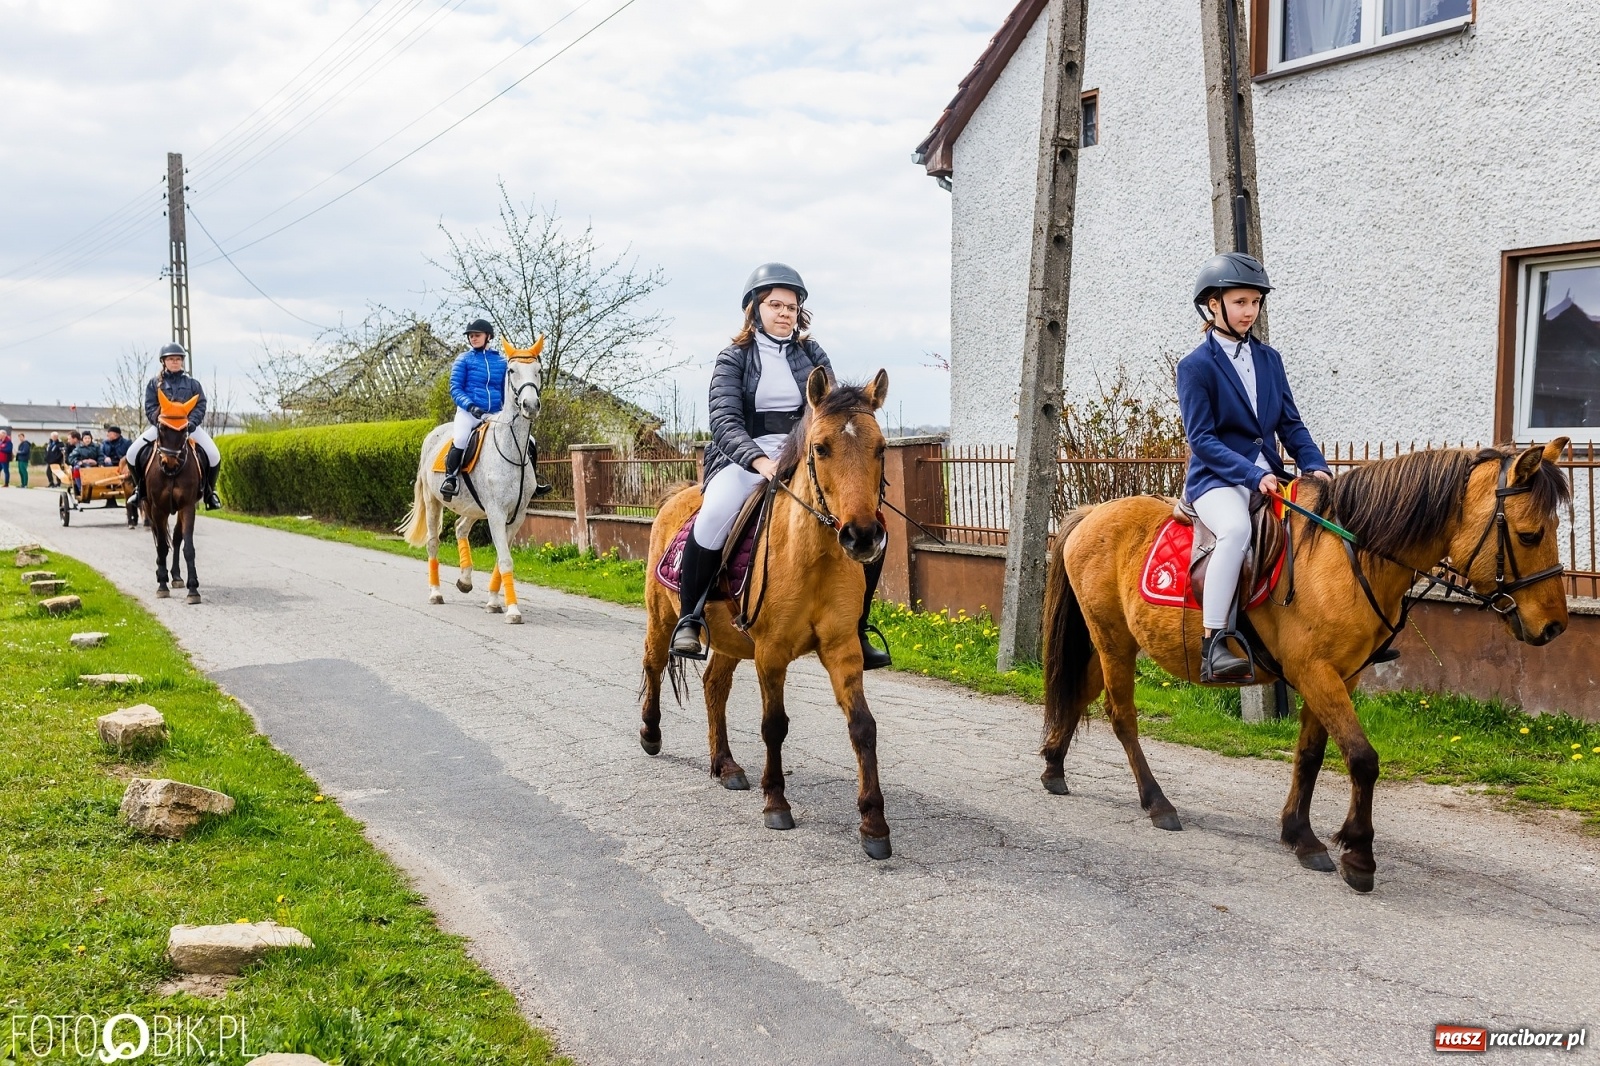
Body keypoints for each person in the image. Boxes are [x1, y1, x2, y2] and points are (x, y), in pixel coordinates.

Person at [670, 263, 891, 669]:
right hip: (743, 456)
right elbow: (723, 419)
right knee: (715, 513)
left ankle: (857, 625)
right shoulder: (733, 357)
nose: (785, 312)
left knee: (870, 523)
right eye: (776, 304)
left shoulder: (813, 354)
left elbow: (831, 412)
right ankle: (690, 616)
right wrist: (757, 460)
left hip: (804, 453)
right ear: (755, 308)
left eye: (792, 306)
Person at [1177, 252, 1332, 682]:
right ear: (1214, 305)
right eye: (1241, 302)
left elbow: (1290, 424)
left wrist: (1314, 465)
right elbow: (1202, 440)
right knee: (1237, 531)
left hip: (1268, 476)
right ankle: (1214, 643)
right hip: (1218, 481)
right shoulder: (1194, 367)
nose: (1250, 312)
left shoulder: (1269, 360)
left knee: (1321, 528)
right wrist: (1252, 474)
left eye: (1256, 303)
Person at [127, 344, 222, 509]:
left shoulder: (193, 384)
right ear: (164, 361)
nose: (175, 362)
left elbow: (200, 405)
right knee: (132, 453)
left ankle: (209, 493)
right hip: (163, 429)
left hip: (188, 427)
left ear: (182, 362)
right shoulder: (154, 384)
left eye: (178, 359)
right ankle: (140, 490)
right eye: (171, 359)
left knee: (214, 455)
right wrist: (160, 422)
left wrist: (191, 423)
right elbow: (150, 406)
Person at [441, 319, 506, 502]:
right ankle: (450, 478)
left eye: (477, 335)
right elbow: (455, 388)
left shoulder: (501, 362)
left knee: (527, 439)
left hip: (493, 414)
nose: (473, 338)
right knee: (461, 438)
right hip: (468, 412)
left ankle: (531, 481)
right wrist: (470, 406)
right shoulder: (464, 359)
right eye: (471, 336)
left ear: (488, 337)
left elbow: (504, 390)